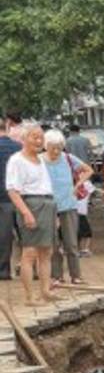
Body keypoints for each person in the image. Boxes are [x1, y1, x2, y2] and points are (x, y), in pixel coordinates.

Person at [5, 127, 58, 304]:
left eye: (41, 138)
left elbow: (46, 185)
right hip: (31, 204)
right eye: (34, 137)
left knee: (47, 251)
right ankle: (29, 296)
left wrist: (54, 213)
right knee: (30, 252)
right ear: (24, 139)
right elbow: (12, 190)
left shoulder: (41, 160)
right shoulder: (16, 160)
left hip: (47, 203)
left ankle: (45, 290)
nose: (39, 141)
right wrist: (26, 213)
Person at [43, 130, 90, 285]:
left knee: (71, 243)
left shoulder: (68, 158)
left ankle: (76, 275)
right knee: (53, 243)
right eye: (52, 147)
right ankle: (56, 276)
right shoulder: (40, 160)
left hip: (68, 204)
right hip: (48, 206)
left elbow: (88, 170)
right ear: (46, 146)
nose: (56, 151)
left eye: (59, 147)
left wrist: (78, 184)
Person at [0, 112, 23, 280]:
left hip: (2, 198)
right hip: (20, 196)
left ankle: (4, 270)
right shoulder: (18, 148)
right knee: (25, 233)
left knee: (4, 235)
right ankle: (31, 267)